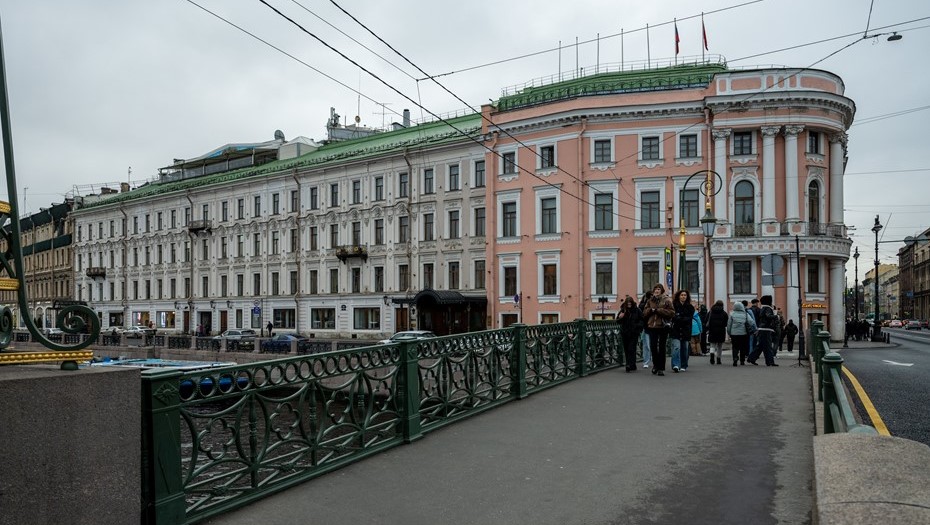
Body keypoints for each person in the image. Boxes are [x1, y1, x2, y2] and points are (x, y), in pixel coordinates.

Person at [642, 283, 675, 376]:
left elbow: (672, 312)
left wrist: (658, 310)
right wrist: (650, 310)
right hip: (652, 326)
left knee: (662, 347)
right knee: (653, 347)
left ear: (662, 291)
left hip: (663, 326)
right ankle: (655, 365)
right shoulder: (650, 301)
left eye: (659, 289)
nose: (657, 291)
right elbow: (644, 313)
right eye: (655, 289)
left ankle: (661, 368)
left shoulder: (667, 300)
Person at [747, 295, 778, 366]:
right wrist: (776, 316)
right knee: (768, 347)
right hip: (766, 329)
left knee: (760, 346)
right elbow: (768, 316)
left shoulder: (763, 308)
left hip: (762, 329)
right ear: (768, 301)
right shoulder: (768, 308)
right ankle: (770, 362)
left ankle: (751, 358)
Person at [616, 296, 644, 372]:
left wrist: (637, 327)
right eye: (627, 303)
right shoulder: (623, 310)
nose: (629, 305)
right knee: (626, 349)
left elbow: (642, 320)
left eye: (630, 303)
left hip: (634, 333)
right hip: (625, 332)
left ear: (632, 303)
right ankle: (632, 364)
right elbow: (617, 321)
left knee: (631, 348)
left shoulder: (637, 310)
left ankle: (628, 364)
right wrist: (620, 317)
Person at [670, 289, 694, 373]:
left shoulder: (690, 307)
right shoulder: (674, 306)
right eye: (682, 295)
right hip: (675, 330)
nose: (683, 296)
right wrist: (680, 318)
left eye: (685, 295)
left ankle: (683, 365)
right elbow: (673, 317)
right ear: (678, 296)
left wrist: (679, 317)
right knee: (676, 347)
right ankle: (675, 365)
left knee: (685, 348)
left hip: (686, 330)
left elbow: (689, 318)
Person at [727, 301, 756, 366]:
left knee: (735, 347)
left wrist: (729, 333)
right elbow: (752, 322)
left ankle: (735, 358)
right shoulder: (745, 314)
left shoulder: (732, 314)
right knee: (742, 347)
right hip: (743, 333)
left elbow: (729, 325)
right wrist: (754, 329)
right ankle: (742, 361)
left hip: (734, 334)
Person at [705, 300, 729, 365]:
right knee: (719, 346)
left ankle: (712, 356)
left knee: (712, 345)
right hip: (721, 331)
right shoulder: (724, 313)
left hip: (712, 330)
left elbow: (706, 320)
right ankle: (718, 359)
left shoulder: (710, 312)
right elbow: (726, 323)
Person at [638, 291, 653, 369]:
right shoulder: (642, 305)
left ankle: (652, 360)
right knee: (646, 345)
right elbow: (641, 316)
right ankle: (646, 361)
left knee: (652, 345)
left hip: (655, 326)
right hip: (646, 326)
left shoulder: (656, 304)